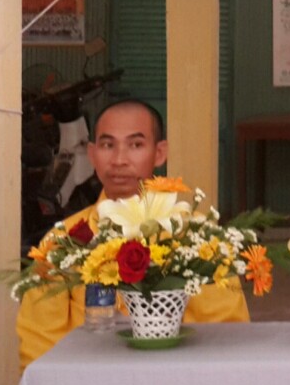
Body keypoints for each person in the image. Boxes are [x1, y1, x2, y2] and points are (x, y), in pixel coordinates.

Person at [17, 99, 249, 367]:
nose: (119, 160)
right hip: (88, 382)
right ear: (91, 154)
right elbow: (38, 345)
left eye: (136, 145)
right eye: (108, 145)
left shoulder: (195, 237)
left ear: (159, 153)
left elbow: (225, 334)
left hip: (176, 382)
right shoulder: (64, 240)